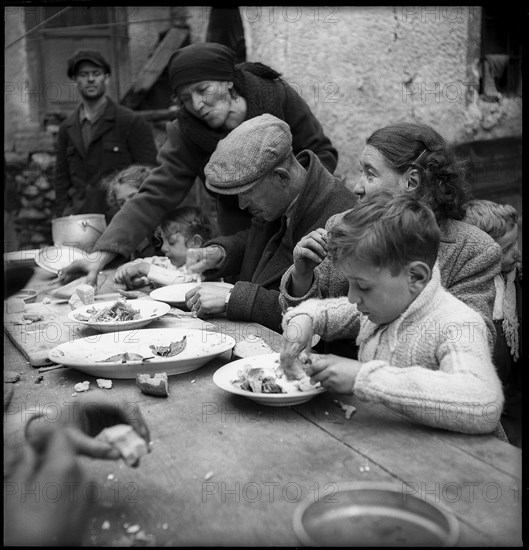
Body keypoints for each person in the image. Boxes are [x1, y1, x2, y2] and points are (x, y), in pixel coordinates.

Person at [58, 42, 338, 287]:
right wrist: (102, 254)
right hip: (240, 238)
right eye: (185, 98)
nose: (197, 104)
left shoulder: (276, 96)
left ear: (229, 81)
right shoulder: (186, 133)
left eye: (203, 89)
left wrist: (293, 208)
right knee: (244, 298)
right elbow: (154, 195)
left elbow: (321, 153)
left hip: (301, 225)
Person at [280, 191, 504, 435]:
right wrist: (303, 321)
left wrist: (362, 378)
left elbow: (483, 402)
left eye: (363, 286)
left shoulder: (457, 323)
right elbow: (327, 311)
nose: (353, 297)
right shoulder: (386, 308)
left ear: (416, 277)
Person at [280, 122, 502, 350]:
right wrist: (302, 276)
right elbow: (307, 317)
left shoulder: (473, 251)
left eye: (370, 174)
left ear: (411, 181)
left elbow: (471, 342)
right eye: (360, 172)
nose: (357, 187)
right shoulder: (344, 224)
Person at [183, 114, 355, 332]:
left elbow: (321, 311)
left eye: (247, 193)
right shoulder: (283, 200)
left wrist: (231, 299)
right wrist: (221, 253)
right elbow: (266, 247)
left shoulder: (341, 220)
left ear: (281, 177)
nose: (242, 204)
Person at [53, 49, 158, 219]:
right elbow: (61, 181)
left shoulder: (130, 121)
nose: (91, 79)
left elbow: (149, 173)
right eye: (83, 74)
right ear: (74, 81)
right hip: (80, 220)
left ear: (107, 78)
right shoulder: (67, 129)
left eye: (97, 73)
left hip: (120, 218)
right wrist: (64, 215)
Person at [463, 199, 522, 447]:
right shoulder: (470, 291)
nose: (517, 252)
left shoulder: (516, 281)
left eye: (516, 242)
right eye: (506, 249)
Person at [114, 206, 213, 288]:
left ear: (195, 243)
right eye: (163, 241)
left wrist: (144, 269)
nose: (163, 248)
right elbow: (149, 263)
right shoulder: (169, 263)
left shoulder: (204, 268)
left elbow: (184, 282)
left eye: (171, 242)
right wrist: (132, 273)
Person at [101, 164, 160, 258]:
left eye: (133, 197)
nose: (128, 205)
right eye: (121, 202)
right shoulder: (124, 232)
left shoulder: (164, 229)